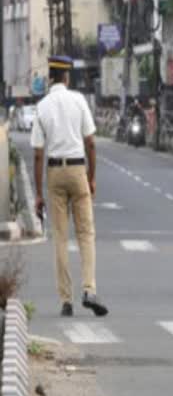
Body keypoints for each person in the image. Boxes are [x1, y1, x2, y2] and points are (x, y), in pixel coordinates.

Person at [30, 56, 108, 318]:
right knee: (86, 233)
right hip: (77, 170)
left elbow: (38, 155)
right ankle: (89, 289)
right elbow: (91, 143)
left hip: (54, 172)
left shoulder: (41, 107)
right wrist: (92, 177)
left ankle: (66, 300)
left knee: (60, 238)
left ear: (50, 77)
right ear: (67, 78)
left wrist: (38, 194)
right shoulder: (79, 101)